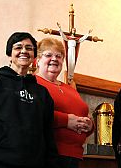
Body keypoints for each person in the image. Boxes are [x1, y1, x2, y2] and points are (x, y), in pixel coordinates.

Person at [0, 32, 59, 168]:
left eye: (29, 48)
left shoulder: (43, 93)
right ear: (9, 55)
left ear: (34, 57)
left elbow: (48, 136)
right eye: (18, 47)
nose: (24, 51)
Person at [35, 37, 94, 168]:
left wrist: (89, 126)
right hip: (49, 155)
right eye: (48, 55)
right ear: (37, 60)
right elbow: (35, 114)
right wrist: (66, 120)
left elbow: (83, 114)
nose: (55, 59)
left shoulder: (69, 87)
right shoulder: (33, 83)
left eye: (59, 56)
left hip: (74, 156)